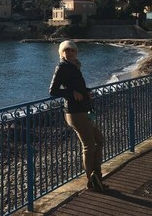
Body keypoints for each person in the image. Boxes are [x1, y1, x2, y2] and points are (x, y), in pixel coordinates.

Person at [49, 40, 107, 192]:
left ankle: (96, 176)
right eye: (66, 51)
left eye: (72, 50)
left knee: (99, 141)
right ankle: (91, 180)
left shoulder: (74, 66)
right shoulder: (62, 67)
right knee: (89, 145)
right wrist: (71, 93)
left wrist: (85, 90)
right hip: (75, 113)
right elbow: (52, 91)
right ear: (62, 53)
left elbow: (76, 85)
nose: (69, 53)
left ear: (76, 52)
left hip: (85, 110)